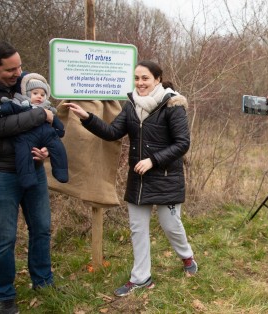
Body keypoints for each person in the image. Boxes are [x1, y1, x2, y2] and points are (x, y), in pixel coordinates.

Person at [64, 60, 198, 297]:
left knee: (171, 225)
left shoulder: (173, 105)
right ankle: (141, 278)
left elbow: (182, 143)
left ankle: (186, 256)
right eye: (136, 78)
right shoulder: (130, 106)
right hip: (139, 180)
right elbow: (112, 133)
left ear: (157, 79)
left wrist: (153, 160)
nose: (140, 83)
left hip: (166, 177)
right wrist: (87, 117)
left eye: (145, 78)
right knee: (138, 229)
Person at [0, 41, 55, 314]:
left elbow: (52, 122)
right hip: (3, 174)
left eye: (19, 66)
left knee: (42, 228)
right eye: (11, 69)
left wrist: (45, 145)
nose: (17, 72)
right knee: (4, 238)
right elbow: (3, 126)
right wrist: (39, 115)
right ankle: (4, 295)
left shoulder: (28, 84)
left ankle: (43, 282)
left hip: (33, 168)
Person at [0, 72, 68, 188]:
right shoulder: (21, 104)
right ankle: (27, 179)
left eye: (42, 94)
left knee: (58, 148)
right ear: (26, 93)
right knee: (23, 154)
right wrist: (2, 107)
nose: (39, 96)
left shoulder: (48, 108)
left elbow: (57, 124)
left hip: (48, 135)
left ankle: (61, 172)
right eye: (35, 93)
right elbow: (9, 108)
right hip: (26, 136)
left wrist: (59, 130)